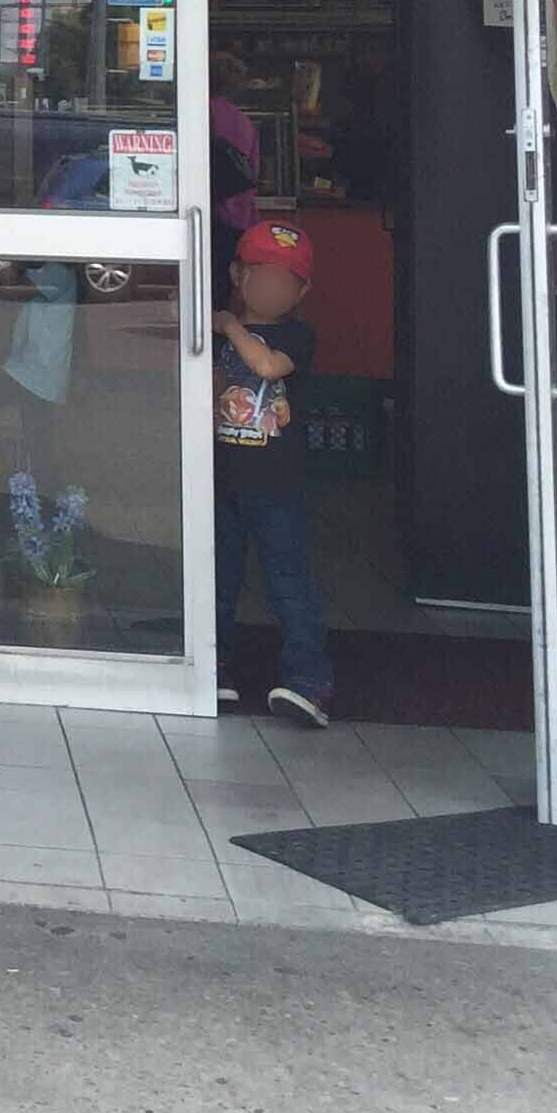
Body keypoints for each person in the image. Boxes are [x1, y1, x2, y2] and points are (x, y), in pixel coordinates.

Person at [214, 217, 334, 726]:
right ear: (239, 276)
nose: (271, 288)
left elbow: (266, 368)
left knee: (288, 580)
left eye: (285, 281)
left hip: (276, 487)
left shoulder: (296, 336)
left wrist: (230, 326)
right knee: (216, 579)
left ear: (302, 290)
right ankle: (210, 666)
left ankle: (308, 679)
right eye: (262, 276)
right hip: (222, 479)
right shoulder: (220, 336)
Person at [208, 51, 261, 238]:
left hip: (211, 212)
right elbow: (253, 169)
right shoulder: (242, 120)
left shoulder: (199, 111)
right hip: (240, 214)